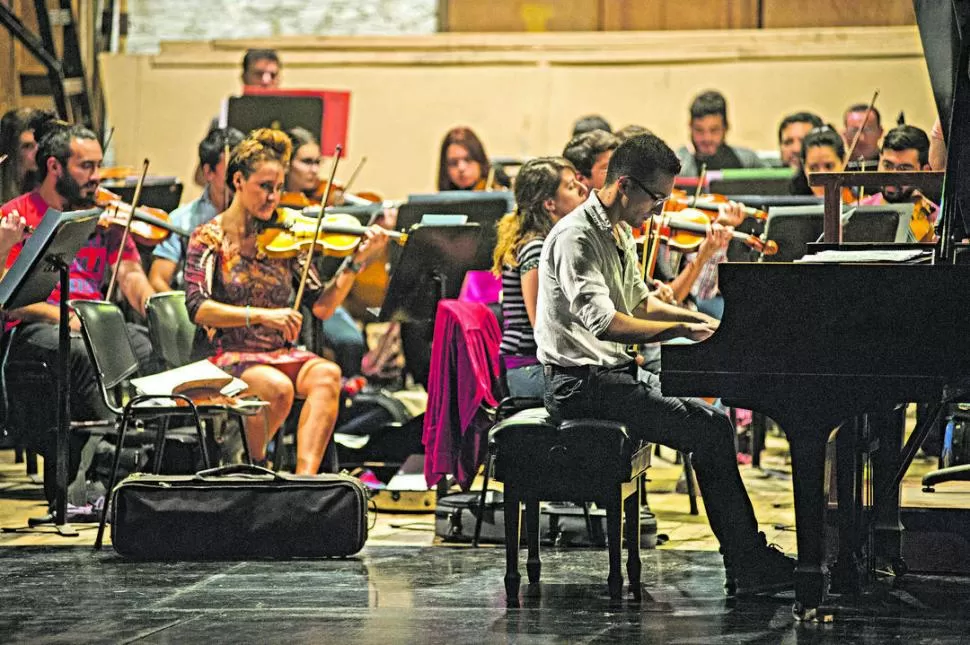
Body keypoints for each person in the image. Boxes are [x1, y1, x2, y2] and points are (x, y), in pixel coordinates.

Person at [535, 133, 795, 596]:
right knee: (711, 430)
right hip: (579, 385)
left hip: (607, 376)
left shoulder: (615, 230)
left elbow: (639, 302)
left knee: (712, 425)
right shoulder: (578, 236)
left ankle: (746, 558)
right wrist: (678, 331)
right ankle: (747, 560)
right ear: (625, 186)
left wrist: (693, 318)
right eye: (655, 198)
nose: (658, 209)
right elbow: (607, 324)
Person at [183, 129, 389, 473]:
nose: (273, 198)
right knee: (277, 388)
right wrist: (261, 316)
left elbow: (321, 306)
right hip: (228, 355)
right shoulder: (209, 237)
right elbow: (197, 307)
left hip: (279, 352)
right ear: (238, 180)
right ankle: (253, 462)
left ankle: (303, 481)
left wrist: (355, 262)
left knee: (327, 375)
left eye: (279, 188)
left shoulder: (286, 238)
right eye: (265, 186)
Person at [1, 119, 159, 501]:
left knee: (147, 345)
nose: (97, 177)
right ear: (54, 167)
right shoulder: (17, 215)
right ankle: (96, 463)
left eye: (98, 165)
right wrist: (68, 318)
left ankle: (150, 461)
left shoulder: (103, 217)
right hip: (34, 326)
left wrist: (152, 305)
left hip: (90, 321)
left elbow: (130, 273)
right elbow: (9, 297)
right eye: (85, 167)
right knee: (79, 352)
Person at [492, 157, 588, 398]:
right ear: (549, 204)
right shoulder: (536, 247)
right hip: (528, 369)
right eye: (570, 186)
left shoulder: (550, 243)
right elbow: (542, 326)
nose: (582, 189)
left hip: (543, 366)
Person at [283, 126, 369, 377]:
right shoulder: (277, 210)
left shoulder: (324, 203)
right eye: (306, 162)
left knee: (351, 341)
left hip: (319, 292)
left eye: (317, 163)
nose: (315, 170)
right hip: (288, 299)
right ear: (287, 165)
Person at [149, 127, 243, 292]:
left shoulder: (256, 217)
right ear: (208, 172)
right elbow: (157, 280)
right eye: (231, 169)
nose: (238, 176)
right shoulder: (181, 221)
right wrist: (186, 313)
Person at [859, 124, 937, 241]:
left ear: (924, 171)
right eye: (887, 165)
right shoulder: (859, 211)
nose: (892, 176)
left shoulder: (937, 220)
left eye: (904, 169)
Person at [676, 90, 766, 176]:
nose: (707, 138)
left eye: (714, 130)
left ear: (726, 128)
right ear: (690, 127)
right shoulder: (677, 166)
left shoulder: (747, 162)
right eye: (699, 130)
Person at [0, 107, 53, 203]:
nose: (39, 151)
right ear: (11, 150)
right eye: (28, 146)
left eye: (41, 143)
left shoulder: (42, 183)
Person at [437, 126, 510, 191]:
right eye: (453, 163)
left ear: (480, 161)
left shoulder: (497, 190)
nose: (461, 168)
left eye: (468, 160)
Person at [795, 125, 851, 199]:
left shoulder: (860, 202)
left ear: (843, 162)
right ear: (804, 166)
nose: (822, 176)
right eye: (813, 168)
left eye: (829, 166)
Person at [841, 103, 883, 170]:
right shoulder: (837, 167)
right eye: (854, 131)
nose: (861, 138)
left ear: (880, 132)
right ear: (844, 134)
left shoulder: (891, 167)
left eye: (868, 130)